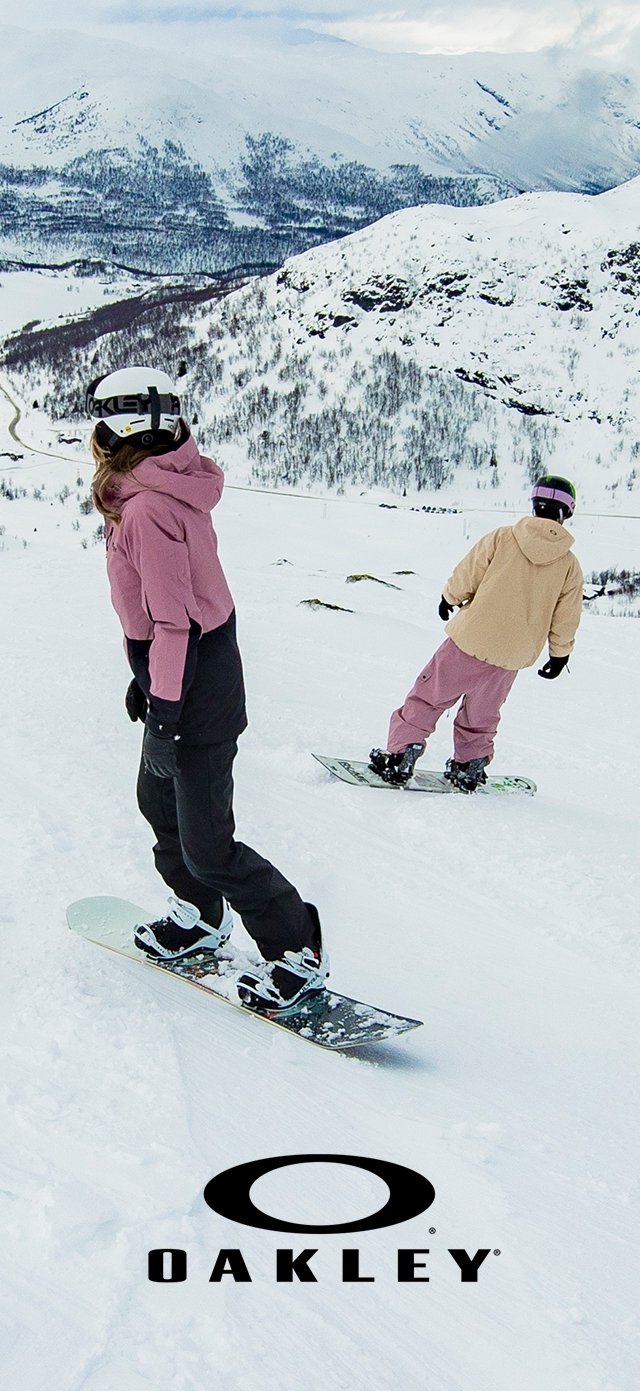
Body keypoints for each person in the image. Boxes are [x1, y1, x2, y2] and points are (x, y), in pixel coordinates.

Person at [87, 365, 328, 1011]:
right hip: (178, 666)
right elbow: (163, 611)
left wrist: (165, 710)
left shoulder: (145, 508)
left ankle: (295, 948)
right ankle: (200, 915)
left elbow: (176, 621)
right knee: (158, 802)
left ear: (118, 428)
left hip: (195, 676)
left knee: (207, 842)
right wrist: (145, 678)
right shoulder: (160, 485)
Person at [369, 476, 584, 792]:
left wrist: (450, 597)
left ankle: (403, 753)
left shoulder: (503, 538)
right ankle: (470, 765)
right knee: (483, 712)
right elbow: (566, 616)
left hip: (471, 639)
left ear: (535, 504)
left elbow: (470, 572)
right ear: (567, 513)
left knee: (429, 696)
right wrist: (559, 653)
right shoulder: (569, 565)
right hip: (512, 655)